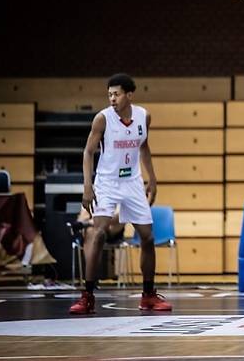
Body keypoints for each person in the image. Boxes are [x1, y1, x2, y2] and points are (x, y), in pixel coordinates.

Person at [69, 73, 171, 314]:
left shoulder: (143, 116)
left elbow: (143, 147)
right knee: (99, 233)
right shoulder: (102, 119)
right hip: (107, 182)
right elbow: (88, 152)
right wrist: (87, 185)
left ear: (129, 95)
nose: (112, 98)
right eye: (109, 95)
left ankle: (148, 295)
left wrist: (152, 179)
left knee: (147, 236)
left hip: (133, 182)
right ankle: (88, 295)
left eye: (116, 94)